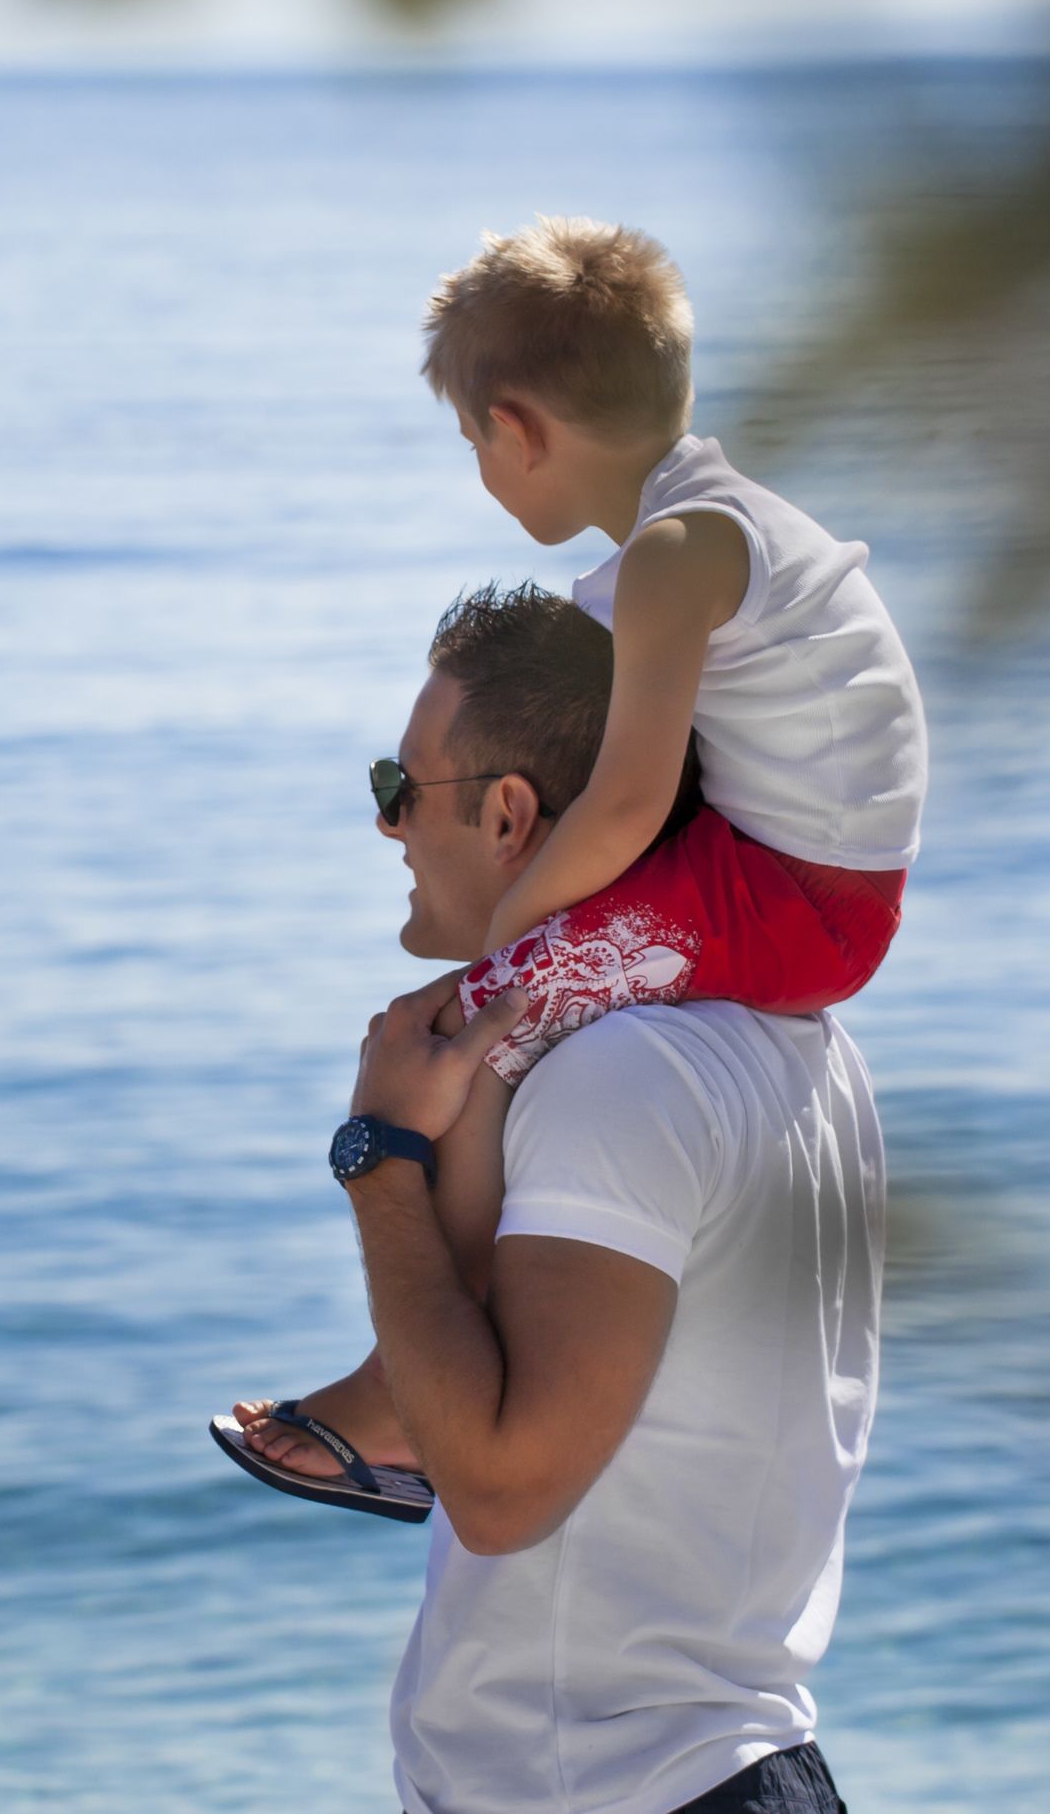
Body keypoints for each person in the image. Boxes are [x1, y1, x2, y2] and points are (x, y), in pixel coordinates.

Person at [229, 218, 924, 1505]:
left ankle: (404, 1389)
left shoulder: (674, 554)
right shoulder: (710, 533)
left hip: (793, 897)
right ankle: (415, 1361)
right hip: (803, 876)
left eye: (471, 443)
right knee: (502, 1003)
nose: (481, 471)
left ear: (517, 428)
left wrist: (516, 938)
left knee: (492, 1018)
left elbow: (625, 802)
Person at [237, 584, 887, 1813]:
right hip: (706, 1765)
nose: (384, 822)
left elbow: (498, 1487)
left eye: (399, 785)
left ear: (508, 812)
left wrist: (380, 1155)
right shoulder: (805, 1044)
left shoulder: (616, 1076)